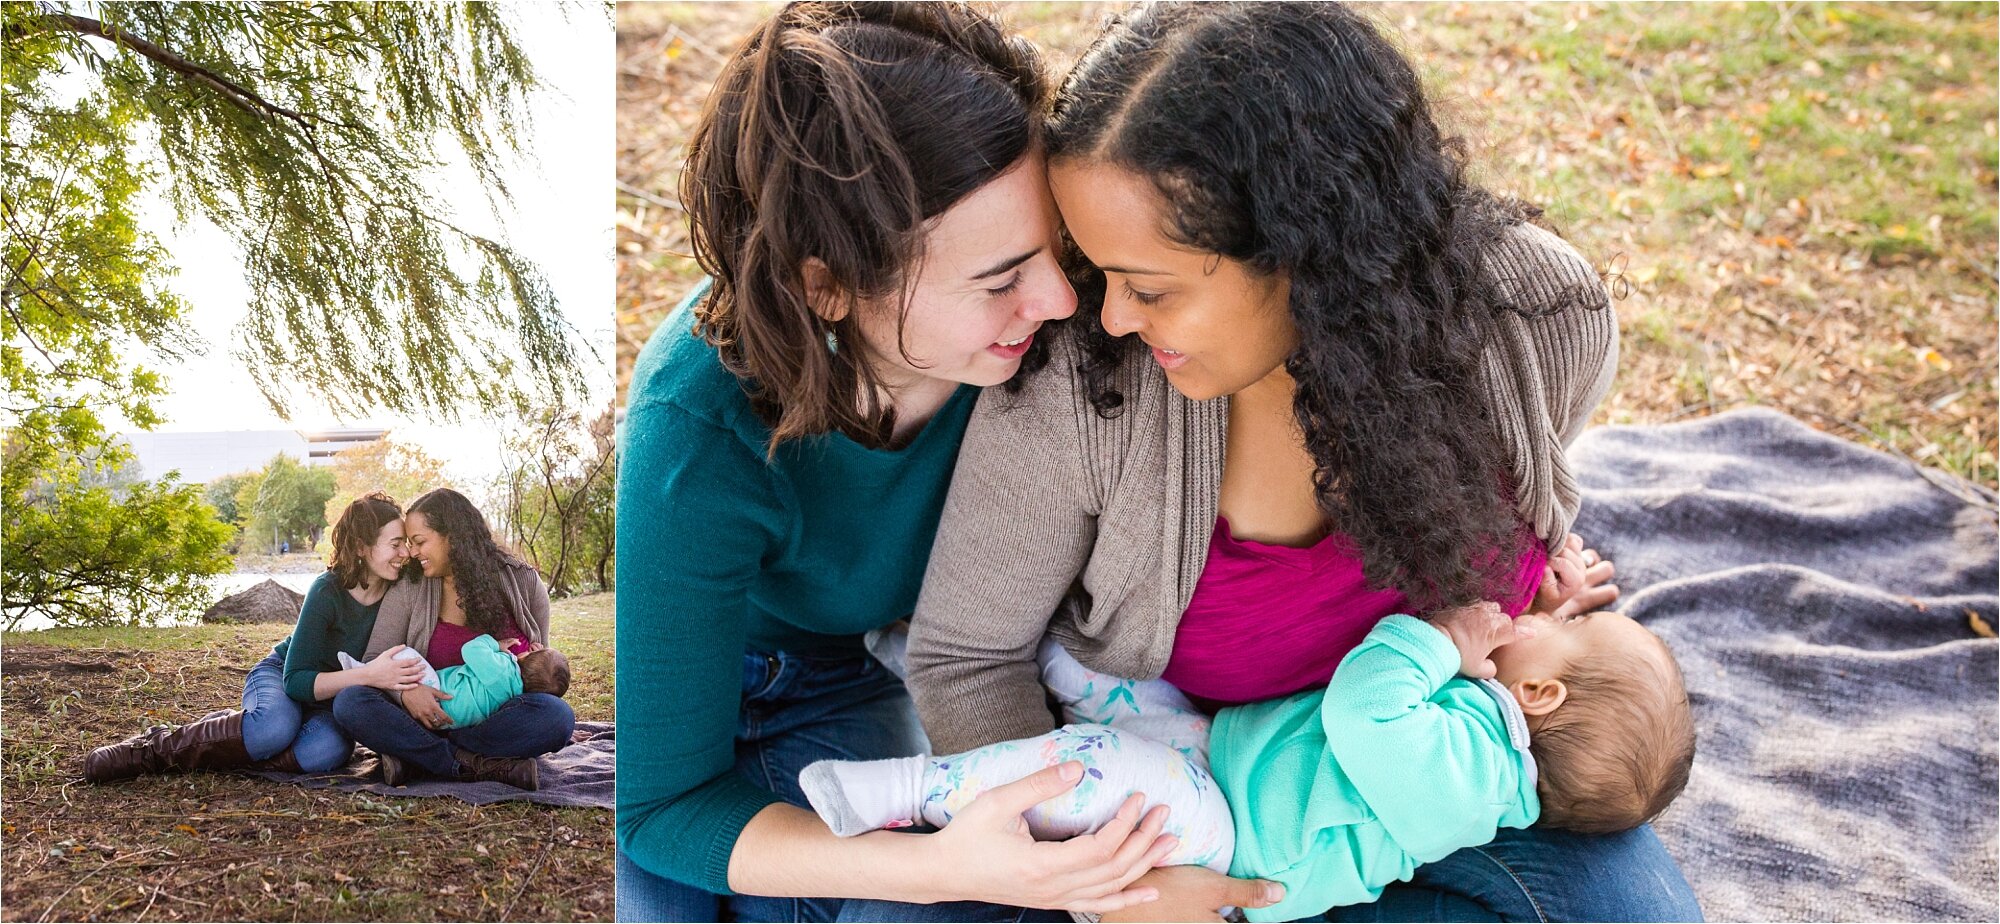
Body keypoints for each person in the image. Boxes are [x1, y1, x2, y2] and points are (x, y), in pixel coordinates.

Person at [905, 3, 1703, 920]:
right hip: (1187, 802)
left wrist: (1543, 608)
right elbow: (967, 662)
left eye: (1150, 287)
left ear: (1305, 256)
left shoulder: (1539, 325)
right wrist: (1111, 880)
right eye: (1099, 271)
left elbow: (1525, 499)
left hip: (1424, 792)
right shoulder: (1092, 387)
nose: (1109, 315)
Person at [614, 4, 1283, 921]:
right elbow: (660, 805)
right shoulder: (693, 429)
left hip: (889, 680)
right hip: (738, 674)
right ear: (829, 287)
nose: (1059, 297)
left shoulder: (1081, 318)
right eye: (1000, 278)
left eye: (1055, 250)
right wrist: (947, 869)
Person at [809, 604, 1696, 920]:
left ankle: (904, 792)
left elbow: (1366, 710)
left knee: (1091, 764)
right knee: (1092, 677)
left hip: (1227, 844)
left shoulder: (1469, 779)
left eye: (1568, 632)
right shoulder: (1488, 737)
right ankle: (921, 646)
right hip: (1225, 760)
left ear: (1539, 698)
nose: (1542, 617)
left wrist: (1435, 641)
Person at [84, 492, 428, 781]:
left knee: (324, 752)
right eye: (396, 544)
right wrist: (370, 675)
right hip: (282, 675)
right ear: (361, 547)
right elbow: (296, 680)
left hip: (326, 705)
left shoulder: (400, 590)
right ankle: (152, 750)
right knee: (272, 730)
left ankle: (233, 740)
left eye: (406, 544)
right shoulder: (327, 591)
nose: (405, 554)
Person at [332, 487, 573, 791]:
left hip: (494, 721)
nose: (412, 552)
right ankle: (478, 764)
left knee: (557, 717)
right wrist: (407, 694)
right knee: (351, 702)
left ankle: (424, 757)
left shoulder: (522, 580)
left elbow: (540, 667)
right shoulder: (411, 585)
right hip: (421, 718)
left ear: (454, 537)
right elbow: (373, 660)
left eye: (419, 542)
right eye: (409, 543)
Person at [339, 636, 570, 729]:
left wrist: (495, 644)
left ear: (525, 656)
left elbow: (470, 650)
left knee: (405, 655)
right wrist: (534, 657)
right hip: (452, 722)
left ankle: (362, 670)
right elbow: (544, 669)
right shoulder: (515, 694)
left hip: (437, 692)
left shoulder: (502, 670)